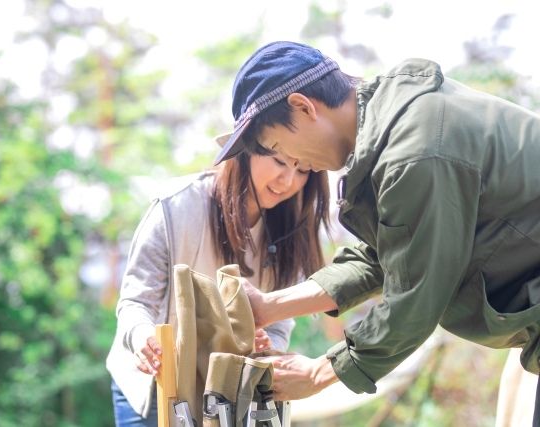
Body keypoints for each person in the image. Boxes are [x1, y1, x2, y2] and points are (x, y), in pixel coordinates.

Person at [214, 40, 540, 423]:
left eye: (276, 145)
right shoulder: (399, 128)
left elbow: (416, 293)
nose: (293, 163)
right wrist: (270, 306)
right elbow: (387, 256)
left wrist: (321, 372)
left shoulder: (415, 152)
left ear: (303, 107)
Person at [107, 142, 330, 426]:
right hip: (154, 380)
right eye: (279, 161)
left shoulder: (293, 228)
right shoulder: (176, 206)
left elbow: (277, 323)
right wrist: (143, 338)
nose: (287, 181)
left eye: (303, 170)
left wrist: (265, 345)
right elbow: (136, 302)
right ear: (246, 150)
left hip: (225, 390)